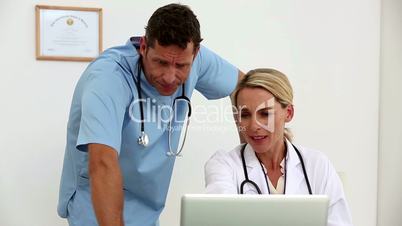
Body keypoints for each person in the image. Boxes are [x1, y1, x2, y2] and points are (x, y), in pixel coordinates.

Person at [57, 3, 243, 226]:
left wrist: (249, 154)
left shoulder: (196, 59)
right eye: (161, 62)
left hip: (147, 210)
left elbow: (247, 87)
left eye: (182, 66)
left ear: (195, 54)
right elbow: (102, 163)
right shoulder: (108, 77)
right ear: (144, 46)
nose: (169, 76)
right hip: (95, 205)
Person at [204, 68, 353, 226]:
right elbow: (220, 220)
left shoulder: (317, 165)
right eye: (245, 115)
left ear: (288, 113)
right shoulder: (224, 165)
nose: (254, 126)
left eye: (265, 114)